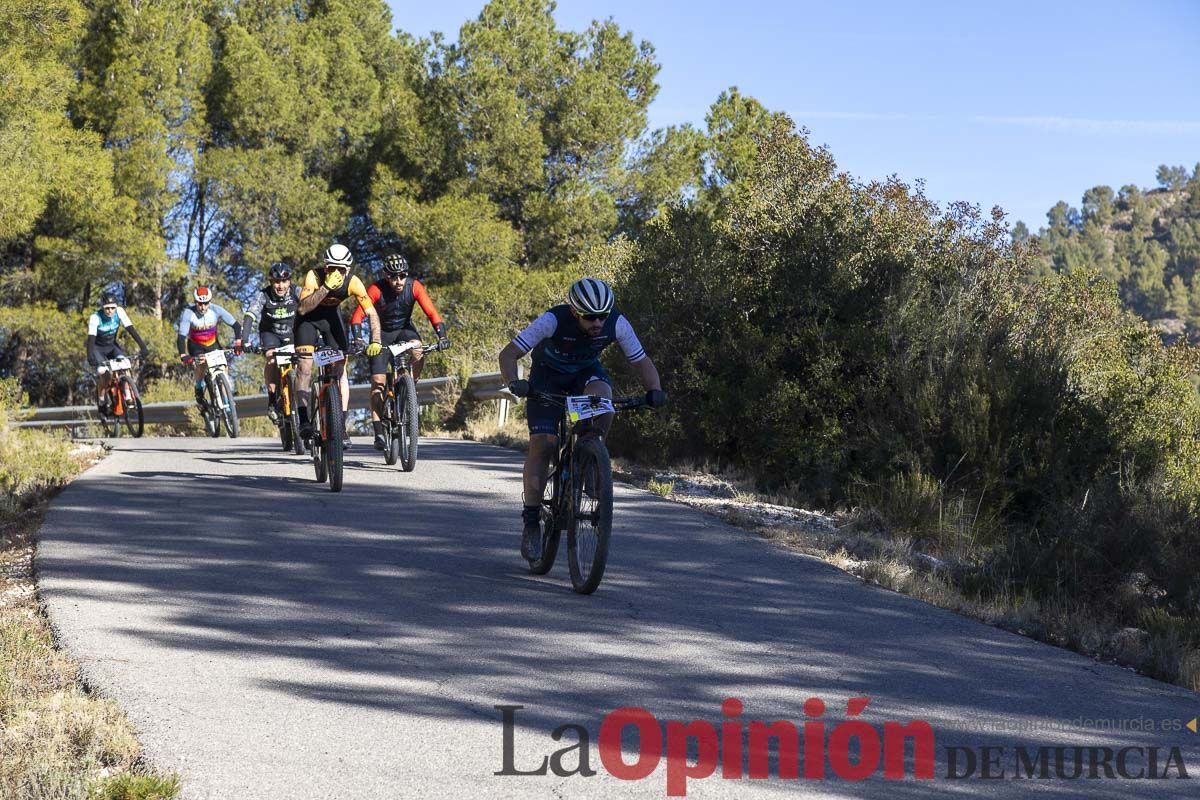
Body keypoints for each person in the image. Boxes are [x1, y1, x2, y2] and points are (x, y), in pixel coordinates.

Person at [498, 277, 667, 560]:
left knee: (604, 401)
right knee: (544, 443)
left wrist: (655, 391)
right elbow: (509, 354)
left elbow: (641, 361)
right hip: (546, 379)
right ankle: (531, 522)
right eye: (590, 317)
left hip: (585, 376)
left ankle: (590, 455)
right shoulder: (553, 319)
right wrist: (516, 382)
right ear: (575, 311)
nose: (598, 323)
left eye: (602, 316)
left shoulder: (617, 323)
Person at [349, 253, 450, 450]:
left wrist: (442, 336)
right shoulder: (376, 289)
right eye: (393, 276)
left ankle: (409, 385)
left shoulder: (414, 286)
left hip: (404, 329)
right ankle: (379, 431)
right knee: (378, 383)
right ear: (386, 276)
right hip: (381, 335)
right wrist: (358, 338)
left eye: (402, 275)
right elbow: (358, 315)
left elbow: (431, 312)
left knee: (418, 349)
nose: (398, 281)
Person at [294, 243, 381, 450]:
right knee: (305, 367)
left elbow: (372, 313)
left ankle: (340, 426)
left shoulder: (354, 282)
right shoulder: (313, 277)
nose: (336, 272)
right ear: (325, 267)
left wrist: (376, 339)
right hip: (307, 320)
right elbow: (303, 309)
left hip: (330, 319)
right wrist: (326, 287)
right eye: (331, 268)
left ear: (348, 269)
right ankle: (304, 419)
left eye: (341, 269)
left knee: (341, 370)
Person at [242, 262, 300, 421]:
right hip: (270, 333)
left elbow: (312, 308)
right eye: (276, 282)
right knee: (271, 359)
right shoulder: (263, 295)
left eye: (284, 281)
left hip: (292, 332)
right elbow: (250, 315)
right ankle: (273, 400)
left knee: (303, 360)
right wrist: (244, 339)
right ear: (271, 282)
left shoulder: (297, 291)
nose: (280, 286)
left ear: (289, 282)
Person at [177, 287, 242, 409]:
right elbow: (181, 336)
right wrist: (183, 355)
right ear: (195, 302)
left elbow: (236, 326)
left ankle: (227, 399)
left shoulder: (216, 310)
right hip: (196, 346)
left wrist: (238, 342)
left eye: (206, 303)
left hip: (212, 344)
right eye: (199, 304)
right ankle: (198, 387)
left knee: (223, 367)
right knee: (202, 364)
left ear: (210, 302)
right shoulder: (188, 313)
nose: (203, 307)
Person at [86, 291, 149, 413]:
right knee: (105, 375)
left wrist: (143, 346)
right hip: (98, 349)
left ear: (116, 307)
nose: (110, 311)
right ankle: (101, 400)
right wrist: (90, 357)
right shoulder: (95, 317)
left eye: (112, 308)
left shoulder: (119, 312)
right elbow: (90, 340)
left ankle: (129, 397)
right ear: (102, 307)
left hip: (112, 346)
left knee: (125, 365)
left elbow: (131, 329)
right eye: (107, 308)